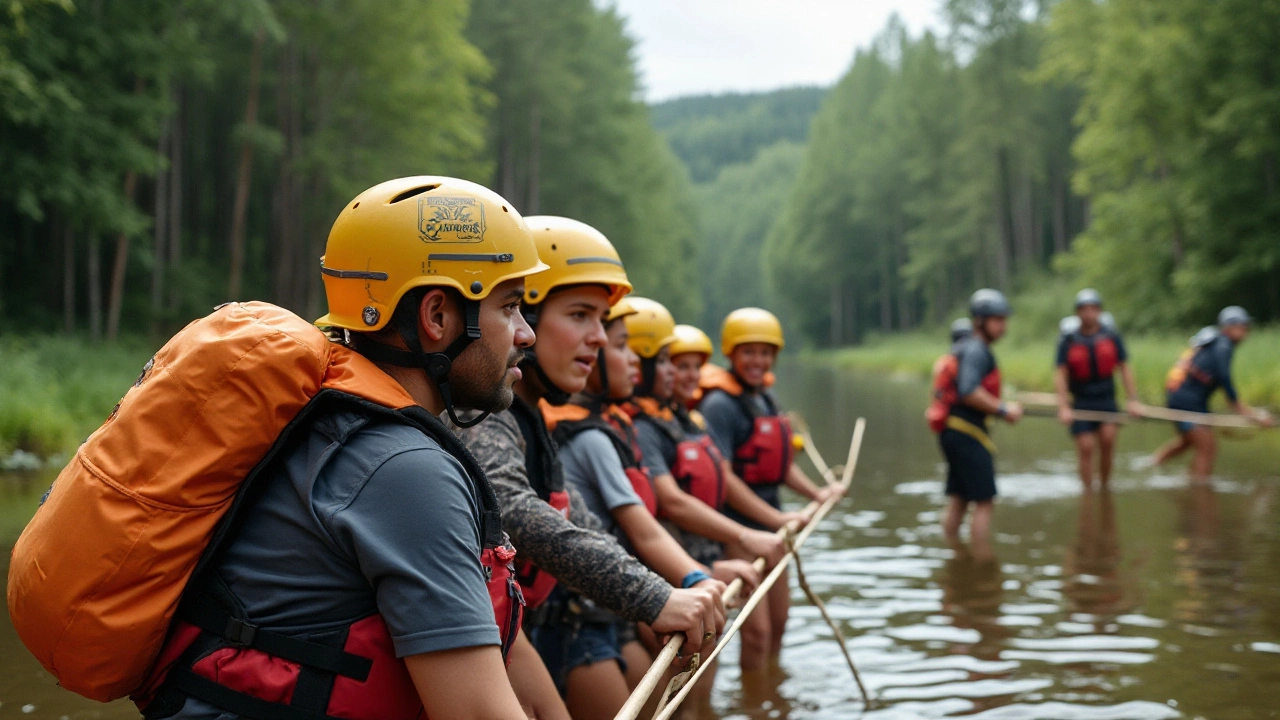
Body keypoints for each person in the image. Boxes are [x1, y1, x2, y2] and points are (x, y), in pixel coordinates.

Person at [144, 177, 550, 719]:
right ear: (437, 317)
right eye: (509, 307)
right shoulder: (405, 470)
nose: (526, 334)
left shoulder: (323, 417)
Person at [450, 216, 727, 720]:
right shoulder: (480, 419)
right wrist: (655, 597)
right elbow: (514, 507)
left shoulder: (532, 422)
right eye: (580, 315)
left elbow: (584, 525)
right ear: (523, 318)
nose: (598, 338)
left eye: (602, 320)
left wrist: (680, 586)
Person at [544, 296, 758, 720]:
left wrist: (704, 575)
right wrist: (700, 575)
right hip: (579, 624)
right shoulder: (592, 439)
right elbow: (643, 530)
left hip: (615, 613)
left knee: (676, 703)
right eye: (631, 352)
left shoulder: (613, 428)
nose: (653, 369)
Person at [624, 305, 795, 712]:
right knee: (682, 693)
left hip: (706, 559)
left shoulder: (689, 420)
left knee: (701, 688)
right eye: (670, 363)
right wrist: (749, 532)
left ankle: (765, 701)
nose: (682, 374)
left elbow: (719, 474)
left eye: (688, 366)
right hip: (678, 567)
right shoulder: (645, 427)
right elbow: (672, 502)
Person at [698, 307, 840, 672]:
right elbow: (724, 479)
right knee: (757, 633)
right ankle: (755, 702)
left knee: (779, 623)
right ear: (730, 352)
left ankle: (769, 699)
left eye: (764, 353)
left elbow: (781, 464)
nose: (757, 361)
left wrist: (817, 495)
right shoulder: (718, 405)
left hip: (773, 529)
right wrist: (778, 519)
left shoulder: (765, 398)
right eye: (749, 352)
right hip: (738, 531)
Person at [936, 289, 1023, 544]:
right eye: (996, 320)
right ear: (979, 321)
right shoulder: (977, 350)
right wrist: (1004, 410)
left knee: (960, 498)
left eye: (1004, 320)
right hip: (967, 434)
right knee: (984, 502)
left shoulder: (966, 348)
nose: (1002, 326)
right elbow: (969, 390)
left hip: (953, 432)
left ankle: (954, 555)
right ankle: (982, 566)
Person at [1151, 306, 1273, 480]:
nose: (1246, 330)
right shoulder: (1223, 345)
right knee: (1207, 448)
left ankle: (1154, 463)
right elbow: (1225, 379)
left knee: (1188, 442)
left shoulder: (1215, 342)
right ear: (1228, 327)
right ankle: (1199, 490)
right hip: (1188, 402)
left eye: (1247, 326)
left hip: (1181, 398)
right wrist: (1248, 413)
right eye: (1242, 325)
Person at [1053, 289, 1141, 489]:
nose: (1088, 313)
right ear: (1078, 313)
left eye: (1093, 309)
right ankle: (1087, 491)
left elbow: (1125, 368)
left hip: (1106, 399)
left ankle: (1105, 486)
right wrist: (1064, 406)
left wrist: (1133, 399)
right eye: (1084, 309)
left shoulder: (1111, 336)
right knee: (1086, 447)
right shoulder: (1068, 340)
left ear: (1099, 311)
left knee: (1108, 442)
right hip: (1081, 400)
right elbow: (1061, 374)